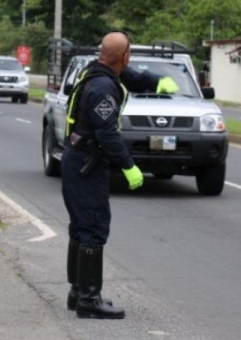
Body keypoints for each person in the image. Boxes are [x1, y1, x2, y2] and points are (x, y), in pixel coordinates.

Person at [61, 31, 178, 319]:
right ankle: (88, 299)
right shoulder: (102, 87)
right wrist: (129, 166)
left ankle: (78, 292)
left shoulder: (98, 71)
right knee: (93, 226)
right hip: (86, 165)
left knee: (81, 227)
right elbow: (107, 133)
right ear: (124, 56)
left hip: (76, 160)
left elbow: (132, 77)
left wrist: (156, 82)